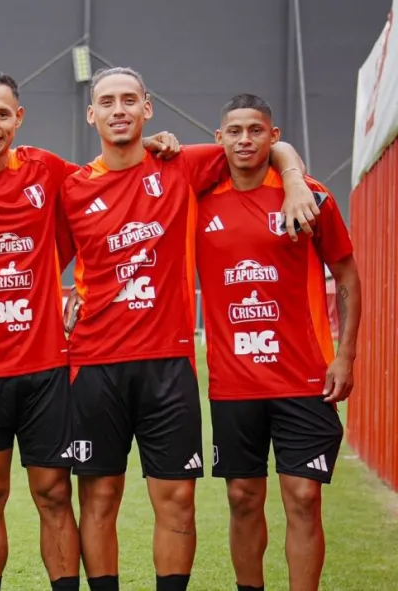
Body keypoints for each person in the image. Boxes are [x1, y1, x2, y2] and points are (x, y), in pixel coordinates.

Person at [57, 67, 319, 591]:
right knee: (100, 496)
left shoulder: (183, 166)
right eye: (107, 101)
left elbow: (266, 144)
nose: (119, 110)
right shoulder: (72, 187)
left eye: (129, 100)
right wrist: (62, 296)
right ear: (92, 115)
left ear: (148, 107)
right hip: (94, 363)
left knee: (176, 498)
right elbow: (40, 259)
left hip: (168, 365)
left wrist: (292, 178)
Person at [0, 70, 173, 591]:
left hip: (45, 366)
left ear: (18, 118)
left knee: (55, 495)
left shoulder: (49, 171)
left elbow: (111, 171)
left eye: (2, 114)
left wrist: (149, 144)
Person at [198, 93, 362, 591]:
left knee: (303, 496)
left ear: (274, 135)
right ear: (218, 138)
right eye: (234, 131)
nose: (244, 139)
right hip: (234, 383)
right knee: (243, 498)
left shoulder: (310, 196)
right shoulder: (199, 199)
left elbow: (348, 276)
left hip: (304, 376)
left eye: (255, 130)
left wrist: (346, 354)